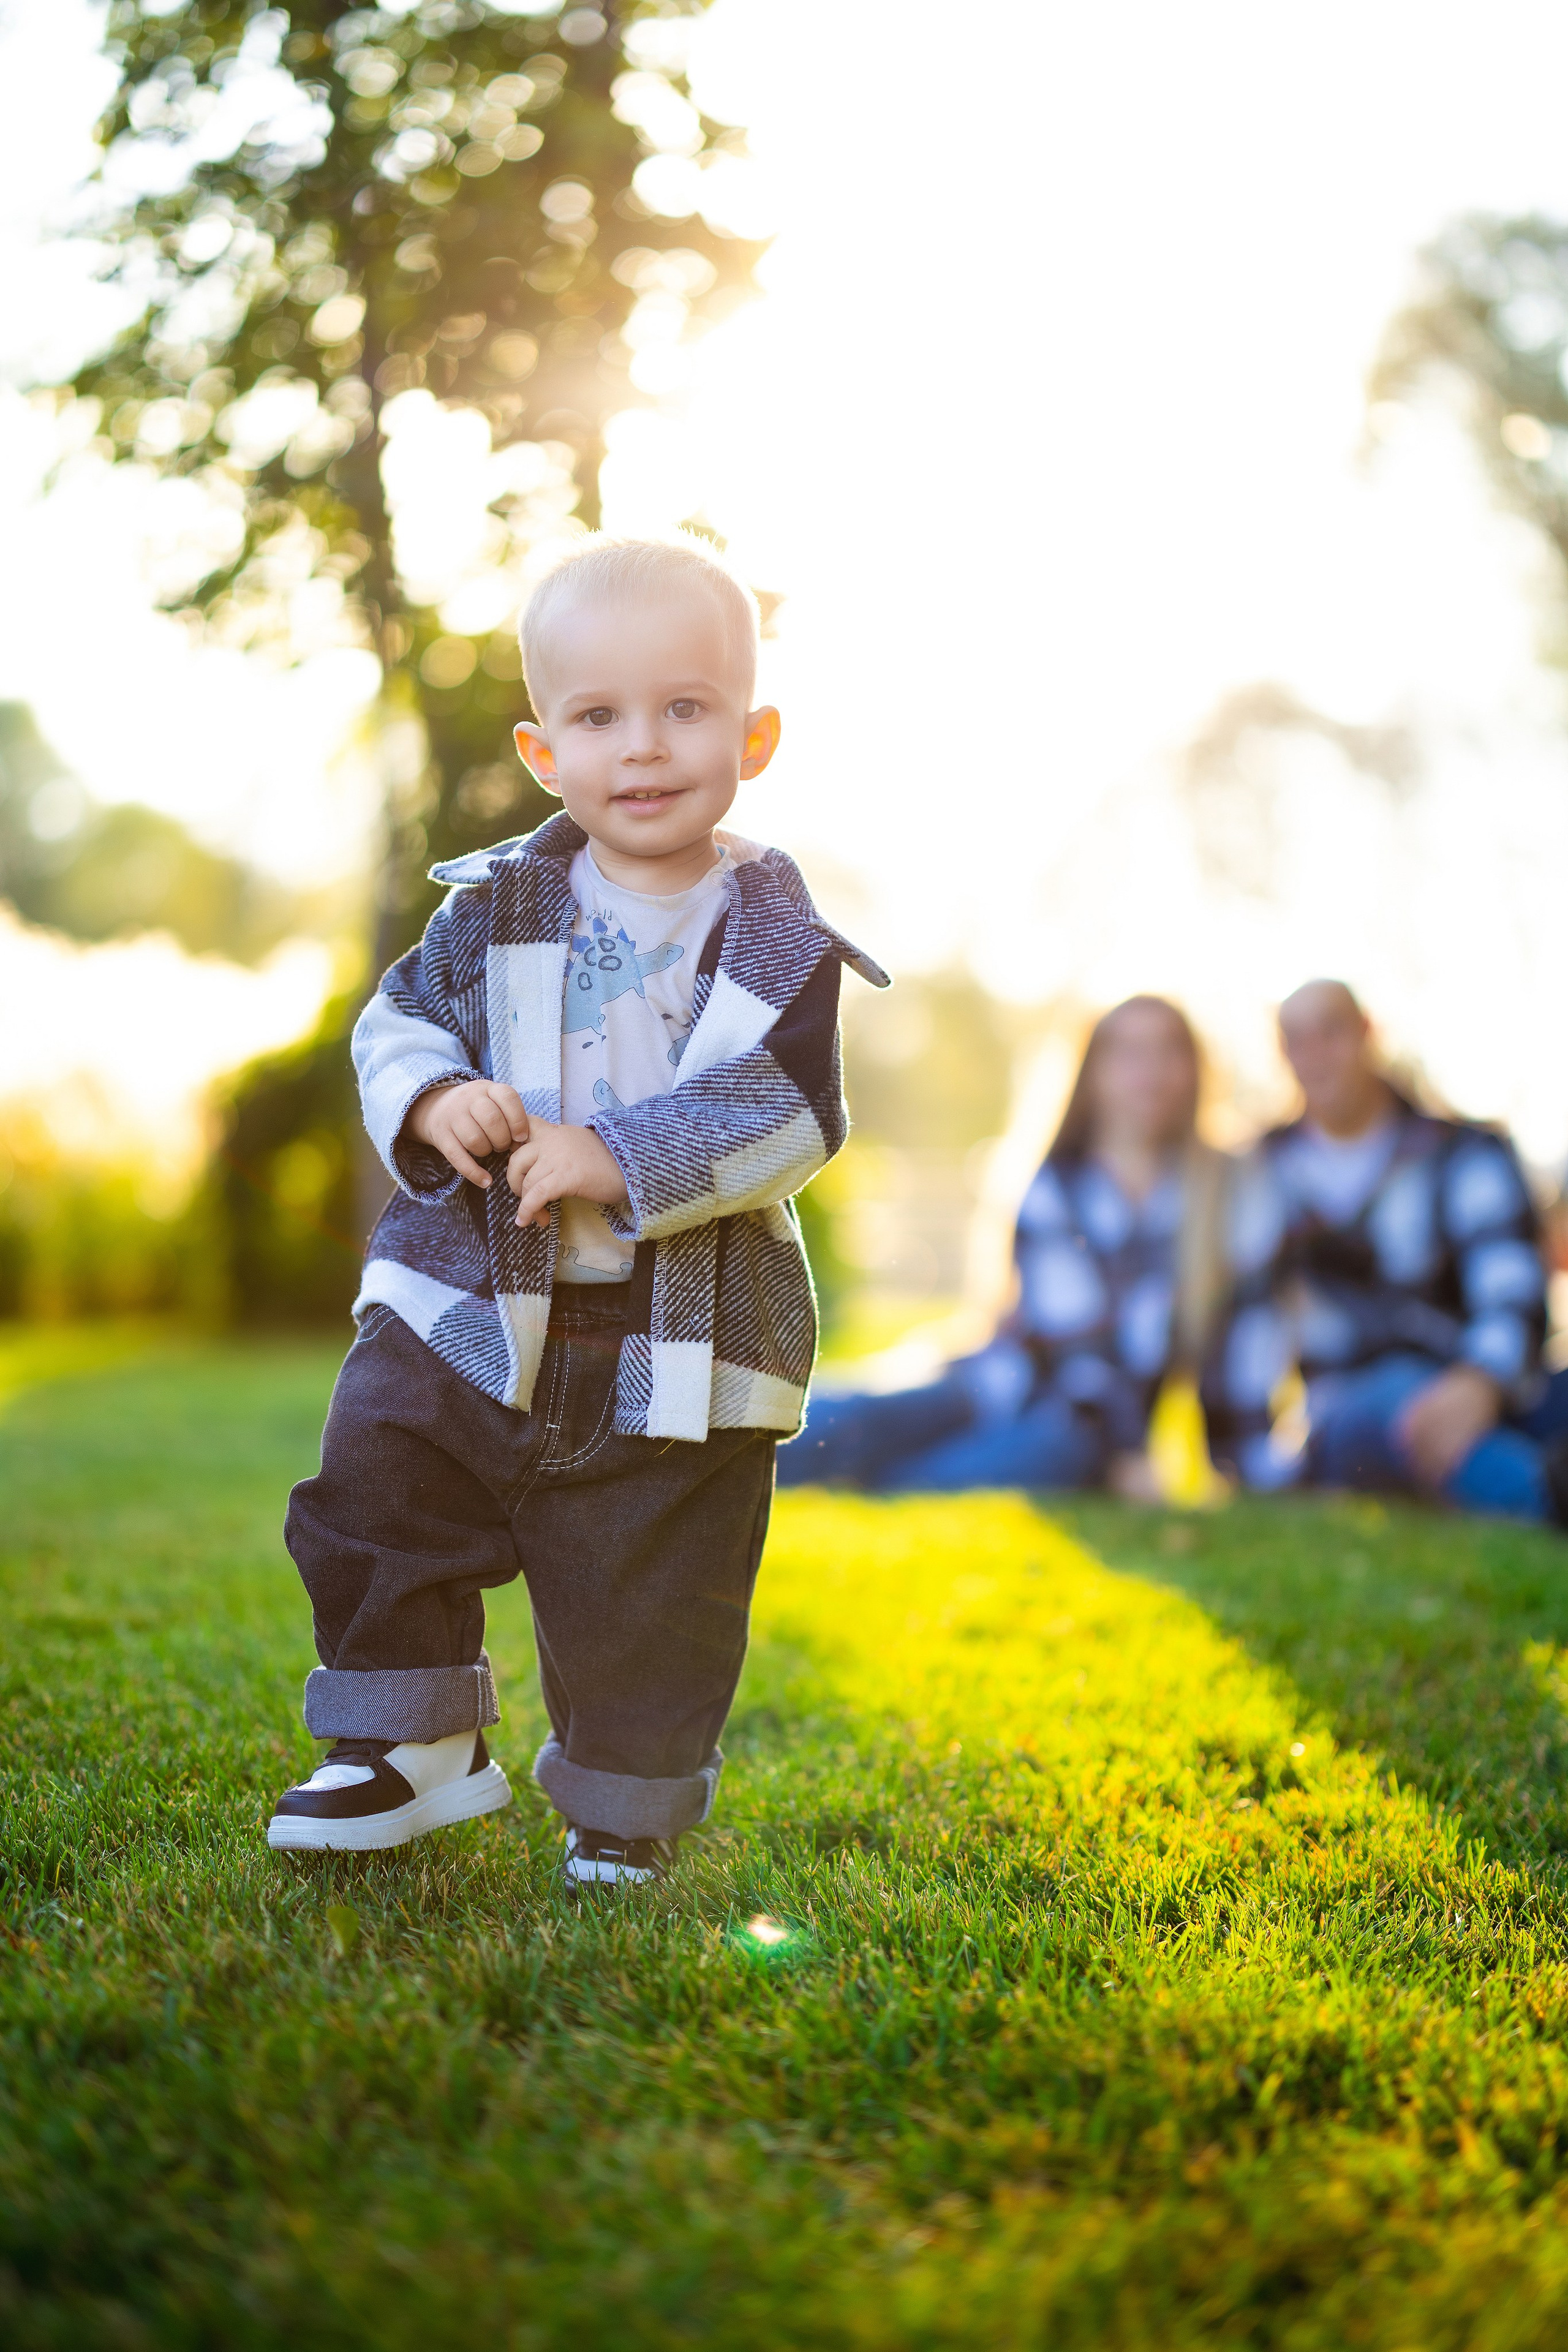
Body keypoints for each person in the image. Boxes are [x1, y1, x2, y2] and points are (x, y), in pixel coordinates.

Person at [265, 533, 888, 1883]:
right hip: (472, 1294)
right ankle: (410, 1743)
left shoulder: (779, 937)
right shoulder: (494, 905)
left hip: (680, 1331)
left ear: (755, 734)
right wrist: (436, 1102)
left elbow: (790, 1111)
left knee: (653, 1582)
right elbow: (398, 1022)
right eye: (600, 717)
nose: (645, 747)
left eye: (685, 708)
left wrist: (618, 1152)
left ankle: (622, 1803)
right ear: (545, 753)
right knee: (382, 1477)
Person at [778, 995, 1231, 1496]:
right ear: (1093, 1072)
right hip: (987, 1387)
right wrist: (1130, 1454)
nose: (1150, 1071)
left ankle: (863, 1483)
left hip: (1073, 1435)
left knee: (931, 1482)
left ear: (1195, 1068)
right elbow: (1077, 1340)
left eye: (1168, 1050)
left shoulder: (1216, 1199)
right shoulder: (1056, 1186)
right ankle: (708, 1442)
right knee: (852, 1421)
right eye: (1128, 1052)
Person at [1207, 978, 1568, 1521]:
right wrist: (1260, 1472)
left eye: (1331, 1033)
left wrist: (1479, 1383)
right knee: (1401, 1393)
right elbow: (1246, 1333)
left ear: (1368, 1034)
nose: (1316, 1056)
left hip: (1494, 1394)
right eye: (1296, 1041)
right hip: (1351, 1421)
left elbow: (1512, 1289)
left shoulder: (1466, 1154)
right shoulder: (1265, 1175)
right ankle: (1542, 1498)